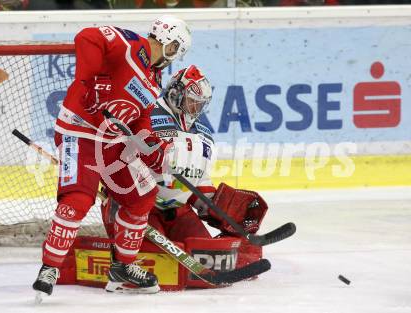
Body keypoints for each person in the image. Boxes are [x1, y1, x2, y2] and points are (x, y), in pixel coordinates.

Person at [32, 15, 192, 297]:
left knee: (142, 195)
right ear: (172, 43)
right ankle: (50, 267)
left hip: (111, 141)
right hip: (78, 132)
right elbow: (87, 36)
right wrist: (93, 79)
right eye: (177, 51)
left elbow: (139, 118)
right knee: (78, 198)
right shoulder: (131, 44)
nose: (174, 58)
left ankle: (123, 269)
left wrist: (150, 146)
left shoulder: (153, 78)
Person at [100, 65, 268, 288]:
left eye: (200, 104)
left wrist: (212, 205)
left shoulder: (203, 133)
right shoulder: (145, 115)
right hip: (138, 206)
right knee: (153, 257)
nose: (196, 108)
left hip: (178, 210)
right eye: (192, 101)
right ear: (176, 94)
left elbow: (200, 180)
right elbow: (115, 156)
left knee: (208, 254)